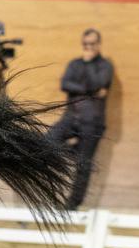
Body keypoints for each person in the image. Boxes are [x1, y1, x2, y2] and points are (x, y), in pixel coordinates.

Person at [47, 28, 114, 210]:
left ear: (98, 44)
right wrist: (92, 90)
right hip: (71, 118)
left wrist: (89, 63)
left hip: (92, 123)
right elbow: (65, 83)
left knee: (83, 167)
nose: (88, 48)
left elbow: (98, 82)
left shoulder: (105, 65)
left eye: (92, 44)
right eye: (85, 44)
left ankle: (72, 205)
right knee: (48, 141)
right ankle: (74, 153)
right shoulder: (75, 63)